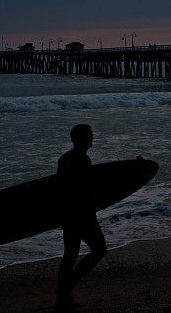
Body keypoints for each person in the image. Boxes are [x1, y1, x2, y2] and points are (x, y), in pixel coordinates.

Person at [55, 124, 107, 309]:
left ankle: (63, 294)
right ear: (83, 138)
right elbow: (86, 189)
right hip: (82, 214)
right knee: (99, 249)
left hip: (67, 214)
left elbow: (60, 189)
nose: (93, 138)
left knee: (70, 254)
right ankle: (66, 290)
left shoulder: (64, 159)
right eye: (91, 135)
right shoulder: (82, 160)